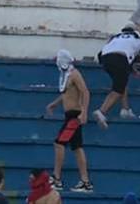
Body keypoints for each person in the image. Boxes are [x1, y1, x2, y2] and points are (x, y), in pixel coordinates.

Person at [44, 50, 92, 193]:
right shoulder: (65, 76)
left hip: (74, 115)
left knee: (59, 143)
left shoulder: (74, 74)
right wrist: (55, 103)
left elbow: (85, 92)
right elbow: (66, 94)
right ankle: (85, 181)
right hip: (69, 114)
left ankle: (57, 178)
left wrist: (84, 112)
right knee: (77, 147)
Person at [91, 26, 140, 129]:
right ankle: (102, 111)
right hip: (120, 58)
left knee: (121, 81)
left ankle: (125, 109)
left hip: (105, 57)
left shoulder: (117, 37)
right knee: (118, 89)